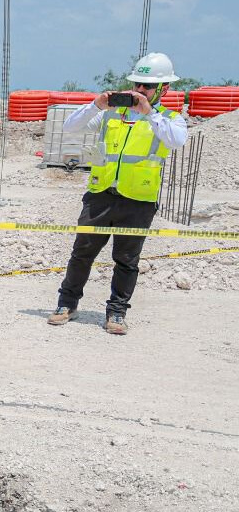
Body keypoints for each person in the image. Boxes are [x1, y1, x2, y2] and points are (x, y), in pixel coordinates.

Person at [48, 52, 187, 336]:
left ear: (163, 89)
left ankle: (117, 312)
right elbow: (70, 127)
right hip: (101, 194)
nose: (140, 90)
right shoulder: (111, 113)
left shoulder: (169, 119)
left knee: (126, 261)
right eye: (137, 84)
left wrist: (149, 113)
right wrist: (95, 106)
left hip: (138, 200)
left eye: (147, 86)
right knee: (82, 253)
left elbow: (176, 140)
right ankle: (67, 304)